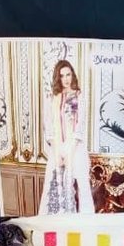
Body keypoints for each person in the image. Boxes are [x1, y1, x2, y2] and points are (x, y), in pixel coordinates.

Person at [38, 59, 95, 214]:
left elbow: (80, 125)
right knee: (52, 185)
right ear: (58, 78)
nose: (66, 79)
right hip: (57, 148)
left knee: (83, 186)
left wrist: (69, 152)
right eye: (62, 76)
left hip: (76, 147)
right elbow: (48, 126)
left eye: (68, 74)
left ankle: (87, 223)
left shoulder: (78, 96)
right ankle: (55, 222)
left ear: (72, 75)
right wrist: (58, 152)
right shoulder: (52, 98)